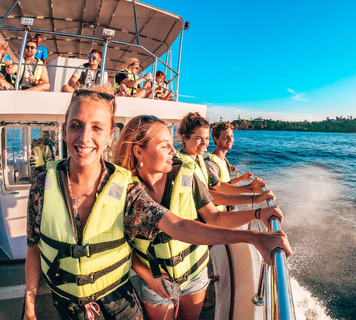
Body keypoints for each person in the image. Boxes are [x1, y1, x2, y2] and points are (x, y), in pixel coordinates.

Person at [23, 87, 291, 320]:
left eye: (96, 127)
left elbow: (181, 226)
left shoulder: (126, 189)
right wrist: (30, 305)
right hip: (71, 302)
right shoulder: (43, 185)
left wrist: (253, 235)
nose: (83, 138)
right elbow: (34, 247)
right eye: (75, 125)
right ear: (65, 128)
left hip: (125, 297)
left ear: (108, 135)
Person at [113, 115, 289, 320]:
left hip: (195, 272)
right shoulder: (123, 191)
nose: (173, 150)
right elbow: (120, 245)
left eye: (172, 144)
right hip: (155, 278)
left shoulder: (185, 175)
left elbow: (213, 217)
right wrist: (149, 277)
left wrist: (258, 212)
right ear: (138, 151)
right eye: (164, 146)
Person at [176, 112, 274, 208]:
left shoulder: (198, 160)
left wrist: (251, 188)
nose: (204, 143)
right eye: (198, 138)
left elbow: (220, 185)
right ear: (185, 138)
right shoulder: (184, 166)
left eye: (206, 138)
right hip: (191, 222)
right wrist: (253, 198)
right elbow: (209, 197)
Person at [205, 121, 261, 211]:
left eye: (231, 136)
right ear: (216, 139)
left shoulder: (224, 161)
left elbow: (227, 184)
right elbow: (219, 188)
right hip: (216, 214)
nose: (230, 139)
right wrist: (250, 188)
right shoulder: (211, 163)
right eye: (225, 136)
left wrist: (242, 177)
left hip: (226, 210)